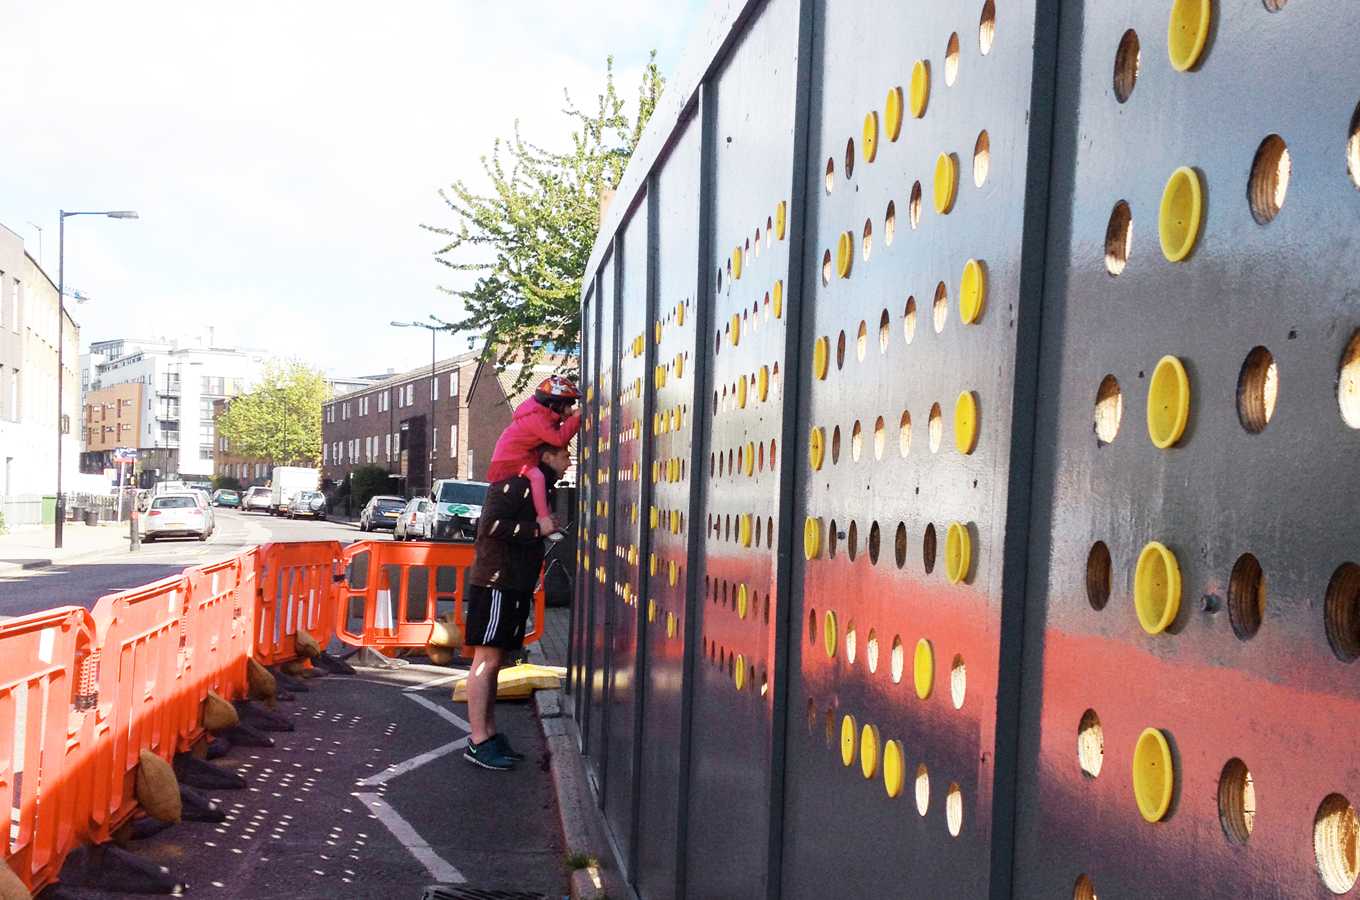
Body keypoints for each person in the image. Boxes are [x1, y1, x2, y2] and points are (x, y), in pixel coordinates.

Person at [462, 442, 572, 771]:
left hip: (513, 584)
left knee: (496, 661)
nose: (569, 461)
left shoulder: (539, 486)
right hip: (496, 584)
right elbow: (490, 526)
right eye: (565, 454)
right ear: (546, 455)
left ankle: (489, 735)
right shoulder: (513, 482)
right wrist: (538, 528)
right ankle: (479, 740)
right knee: (486, 658)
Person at [485, 375, 581, 540]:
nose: (569, 410)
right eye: (567, 406)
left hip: (518, 455)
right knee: (537, 477)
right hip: (511, 458)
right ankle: (544, 520)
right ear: (553, 405)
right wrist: (576, 419)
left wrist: (572, 418)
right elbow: (558, 438)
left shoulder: (540, 414)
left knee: (540, 484)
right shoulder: (536, 418)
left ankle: (546, 518)